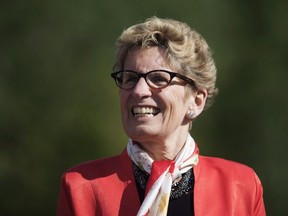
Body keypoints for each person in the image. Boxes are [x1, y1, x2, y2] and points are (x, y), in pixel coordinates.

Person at [56, 16, 266, 216]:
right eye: (129, 78)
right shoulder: (81, 187)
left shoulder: (241, 186)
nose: (139, 91)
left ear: (196, 101)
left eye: (158, 79)